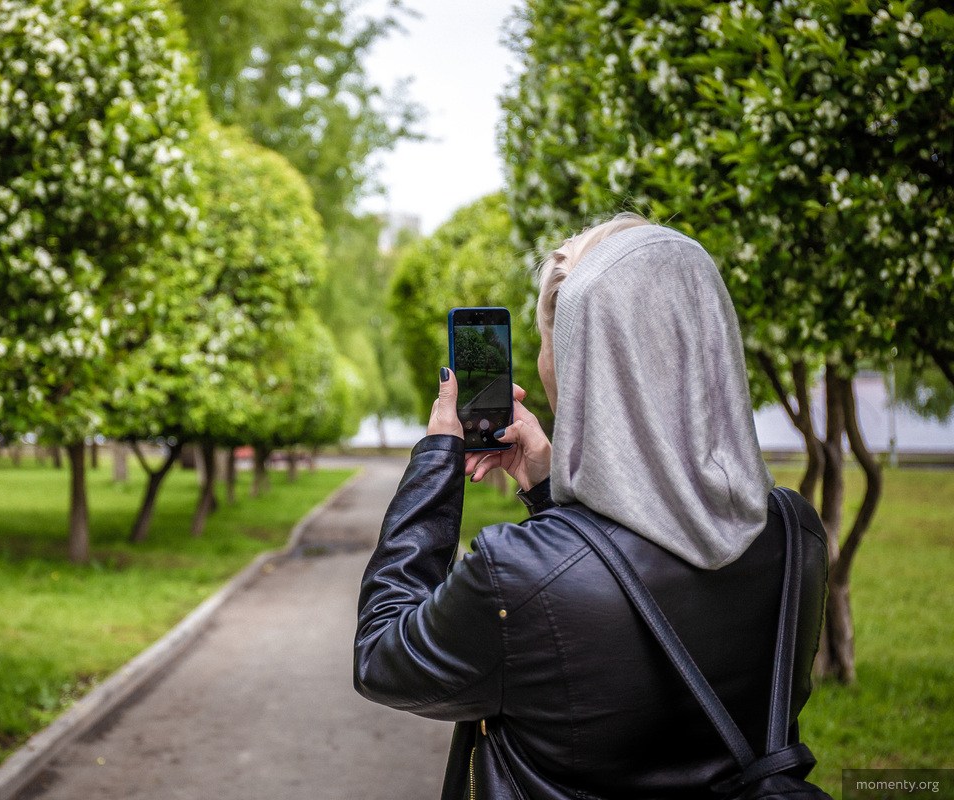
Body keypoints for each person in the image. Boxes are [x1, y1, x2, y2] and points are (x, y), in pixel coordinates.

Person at [353, 216, 828, 799]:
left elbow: (383, 657)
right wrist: (550, 490)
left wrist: (436, 463)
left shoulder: (514, 575)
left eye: (550, 343)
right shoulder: (795, 536)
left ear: (580, 365)